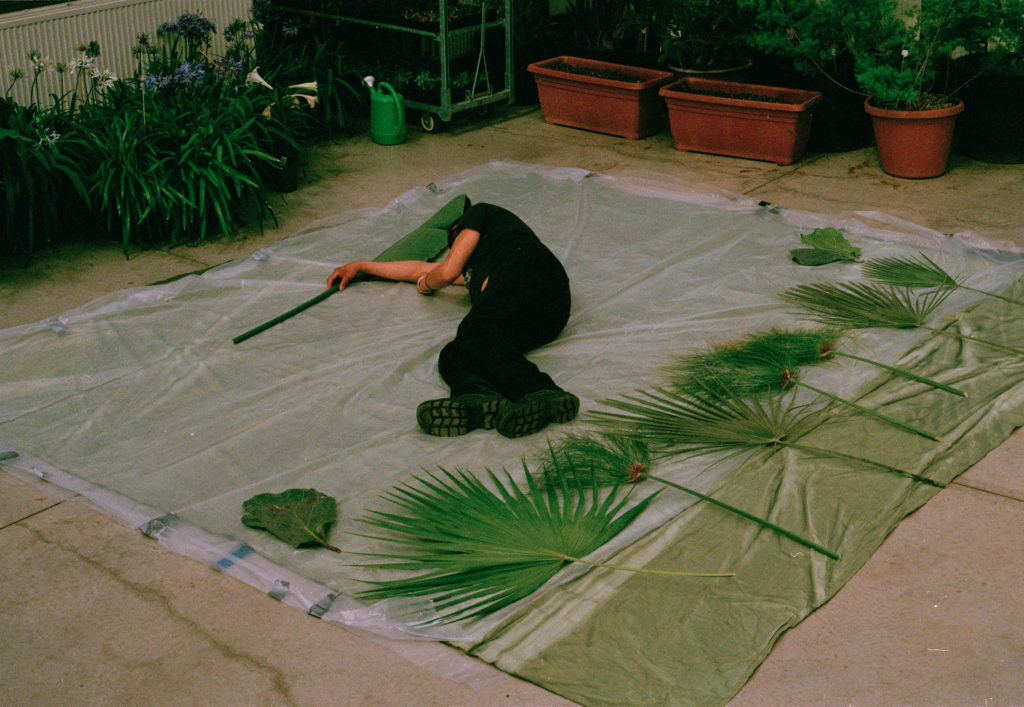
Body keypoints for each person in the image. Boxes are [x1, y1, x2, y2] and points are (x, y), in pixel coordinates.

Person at [327, 200, 579, 438]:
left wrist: (426, 286)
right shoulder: (479, 268)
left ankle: (538, 390)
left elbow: (444, 273)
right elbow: (420, 269)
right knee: (455, 353)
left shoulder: (482, 215)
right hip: (546, 319)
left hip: (532, 273)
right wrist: (363, 266)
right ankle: (476, 398)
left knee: (473, 330)